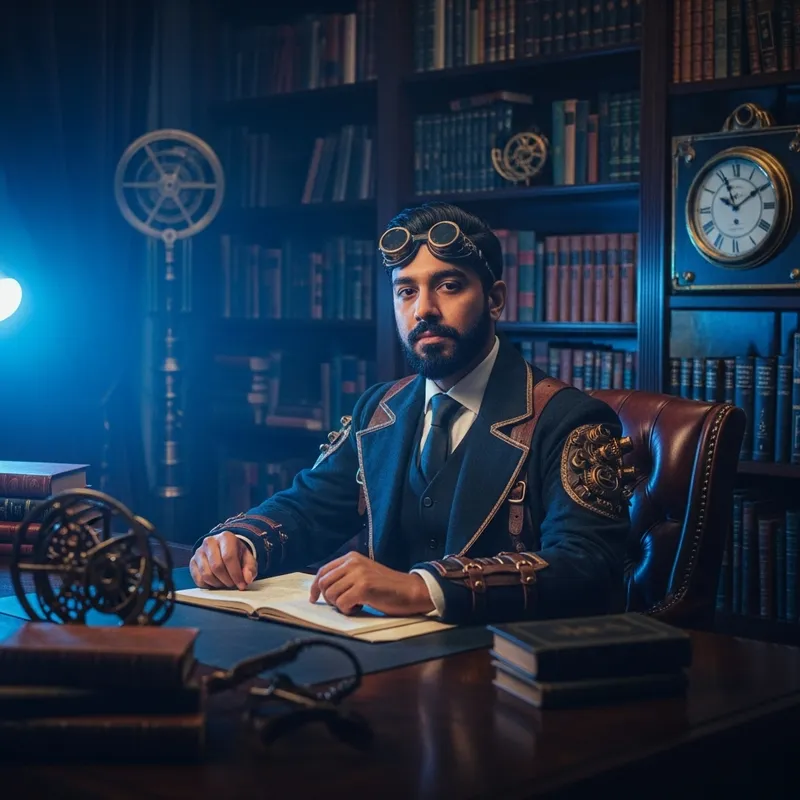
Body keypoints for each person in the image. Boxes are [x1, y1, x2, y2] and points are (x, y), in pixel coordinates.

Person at [190, 202, 632, 625]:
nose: (424, 309)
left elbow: (587, 564)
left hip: (500, 668)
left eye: (449, 286)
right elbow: (309, 508)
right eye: (407, 291)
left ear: (495, 299)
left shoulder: (571, 419)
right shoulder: (378, 410)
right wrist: (242, 542)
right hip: (380, 660)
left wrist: (425, 589)